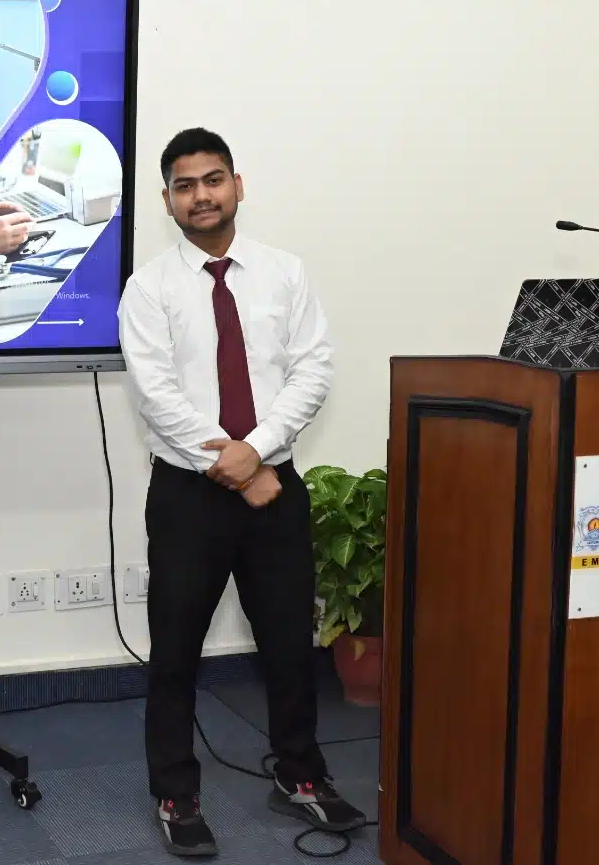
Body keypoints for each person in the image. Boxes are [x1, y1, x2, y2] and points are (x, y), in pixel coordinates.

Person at [118, 127, 364, 857]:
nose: (202, 195)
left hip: (274, 490)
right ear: (168, 200)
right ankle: (176, 792)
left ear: (237, 185)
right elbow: (156, 394)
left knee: (290, 645)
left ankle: (301, 775)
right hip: (187, 496)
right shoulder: (149, 288)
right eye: (185, 185)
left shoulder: (285, 273)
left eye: (213, 179)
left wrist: (256, 454)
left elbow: (312, 371)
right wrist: (237, 465)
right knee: (176, 653)